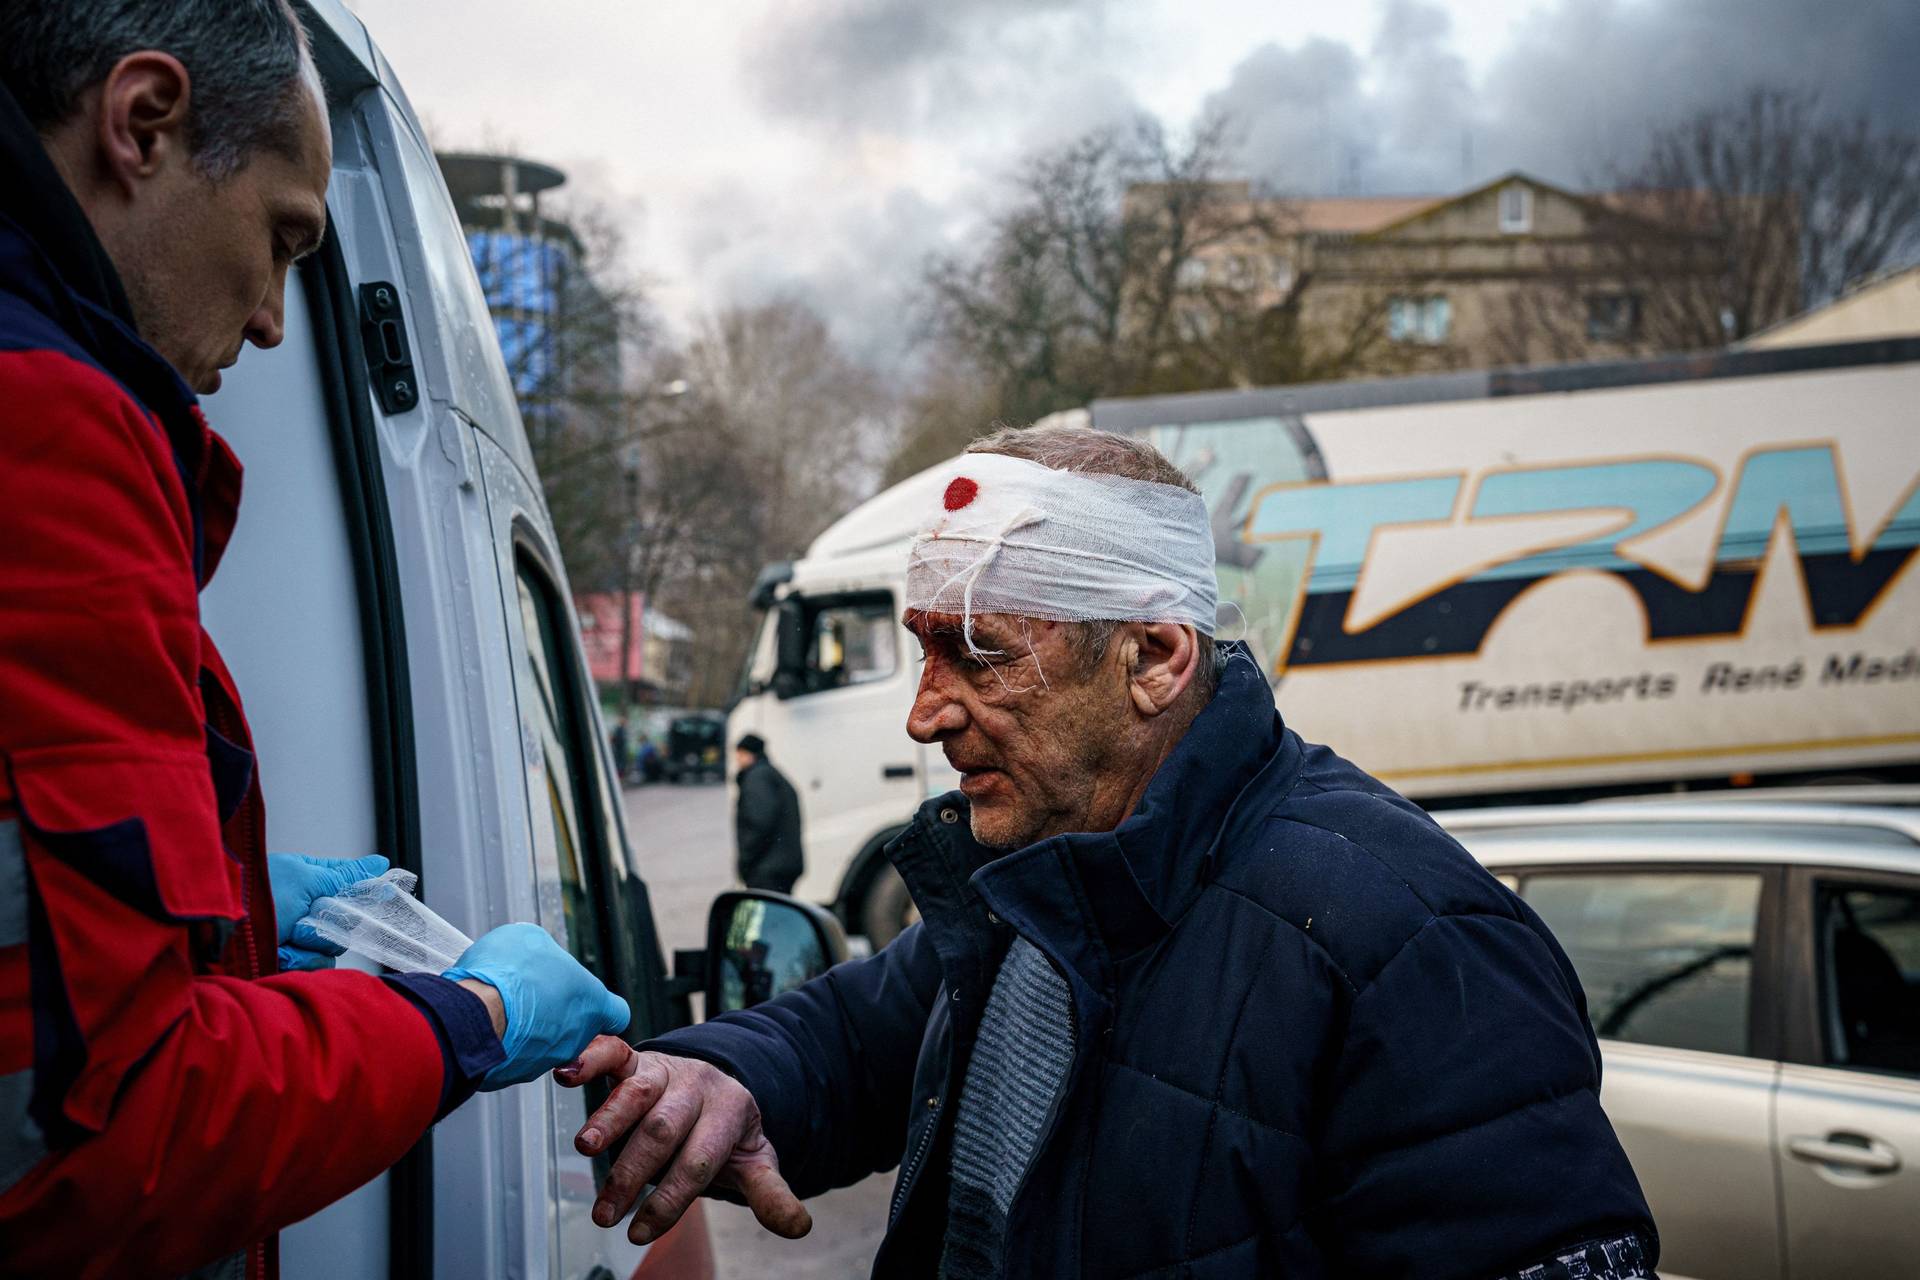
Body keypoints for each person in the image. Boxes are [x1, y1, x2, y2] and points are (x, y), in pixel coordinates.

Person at [558, 425, 1659, 1277]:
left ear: (1154, 657)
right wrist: (724, 1074)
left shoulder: (1409, 940)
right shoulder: (1049, 870)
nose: (925, 712)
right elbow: (862, 1031)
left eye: (979, 652)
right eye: (922, 651)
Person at [0, 6, 627, 1276]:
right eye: (282, 239)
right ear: (143, 121)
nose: (281, 319)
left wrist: (223, 902)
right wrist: (466, 1016)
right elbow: (112, 1137)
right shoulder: (48, 425)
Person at [732, 734, 804, 894]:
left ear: (749, 754)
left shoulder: (757, 778)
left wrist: (745, 863)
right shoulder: (771, 775)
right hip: (781, 865)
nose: (737, 761)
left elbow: (758, 823)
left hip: (767, 869)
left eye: (739, 755)